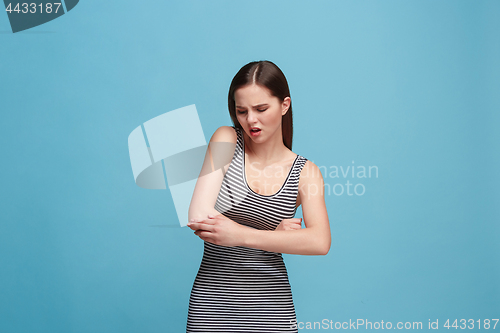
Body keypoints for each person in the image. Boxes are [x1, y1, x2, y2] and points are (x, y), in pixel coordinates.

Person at [185, 60, 330, 332]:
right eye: (242, 111)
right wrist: (276, 236)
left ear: (284, 105)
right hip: (213, 305)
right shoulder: (226, 140)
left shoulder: (306, 173)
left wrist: (241, 235)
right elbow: (198, 218)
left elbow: (320, 242)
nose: (251, 120)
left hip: (272, 308)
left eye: (261, 109)